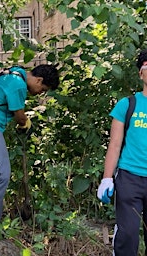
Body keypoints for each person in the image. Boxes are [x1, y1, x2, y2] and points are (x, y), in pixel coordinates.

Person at [0, 64, 60, 228]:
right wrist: (25, 123)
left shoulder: (14, 75)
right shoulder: (18, 83)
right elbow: (20, 116)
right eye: (43, 89)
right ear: (39, 80)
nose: (40, 93)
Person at [97, 49, 147, 256]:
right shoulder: (127, 105)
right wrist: (107, 178)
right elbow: (115, 144)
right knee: (128, 235)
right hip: (130, 177)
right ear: (141, 73)